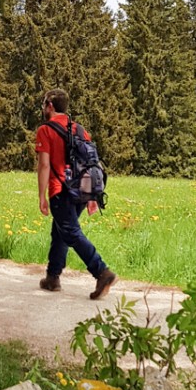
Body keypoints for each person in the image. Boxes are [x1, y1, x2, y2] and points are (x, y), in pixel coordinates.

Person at [35, 89, 116, 298]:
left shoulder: (45, 130)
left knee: (70, 231)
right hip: (80, 190)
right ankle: (52, 277)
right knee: (60, 231)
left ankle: (101, 271)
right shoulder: (79, 129)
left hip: (61, 190)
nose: (44, 108)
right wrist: (93, 195)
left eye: (44, 104)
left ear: (50, 105)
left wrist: (41, 196)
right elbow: (91, 163)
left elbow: (44, 165)